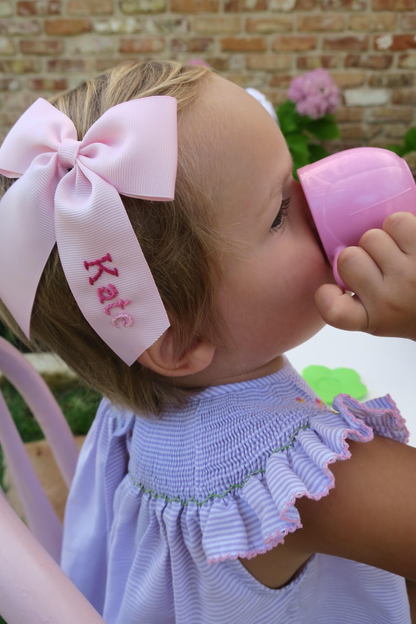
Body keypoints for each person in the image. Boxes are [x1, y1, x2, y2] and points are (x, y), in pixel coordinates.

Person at [0, 59, 415, 624]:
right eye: (281, 212)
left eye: (298, 170)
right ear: (177, 342)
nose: (320, 197)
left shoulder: (136, 400)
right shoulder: (307, 486)